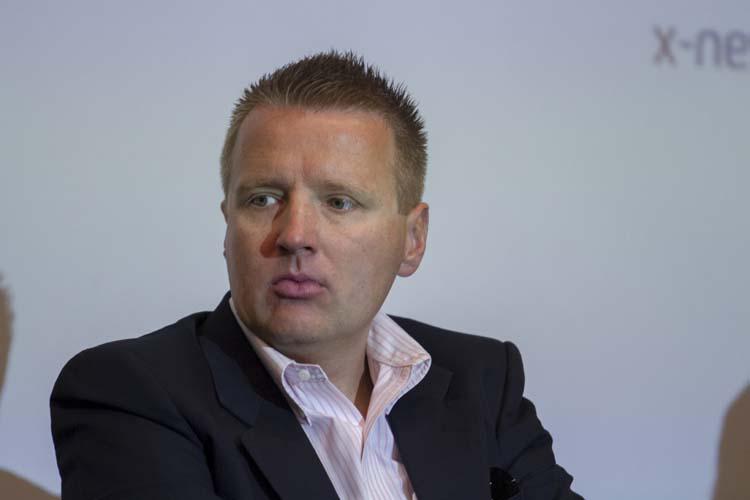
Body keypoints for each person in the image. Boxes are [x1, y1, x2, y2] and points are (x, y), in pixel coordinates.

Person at [50, 51, 582, 500]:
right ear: (228, 224)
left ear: (412, 239)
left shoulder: (482, 379)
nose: (294, 234)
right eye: (263, 199)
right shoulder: (131, 393)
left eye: (339, 202)